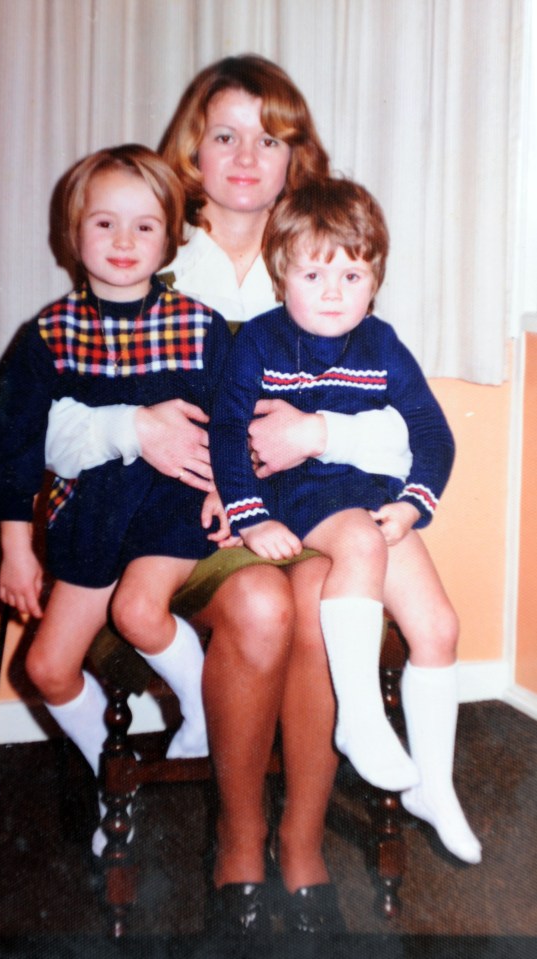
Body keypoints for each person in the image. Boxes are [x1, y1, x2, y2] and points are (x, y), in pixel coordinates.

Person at [44, 55, 413, 934]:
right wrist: (142, 430)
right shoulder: (152, 254)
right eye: (224, 135)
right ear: (192, 151)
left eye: (271, 138)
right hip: (192, 523)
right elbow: (68, 412)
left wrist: (317, 433)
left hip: (315, 510)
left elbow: (401, 423)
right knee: (256, 604)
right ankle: (240, 845)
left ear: (297, 158)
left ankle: (304, 841)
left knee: (321, 593)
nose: (247, 156)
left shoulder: (325, 254)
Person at [210, 177, 481, 864]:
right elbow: (226, 432)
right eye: (313, 272)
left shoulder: (380, 343)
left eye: (351, 273)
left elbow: (431, 430)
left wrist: (414, 500)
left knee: (439, 627)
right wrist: (246, 517)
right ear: (281, 276)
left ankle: (435, 786)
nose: (333, 291)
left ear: (374, 279)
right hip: (297, 493)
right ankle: (359, 717)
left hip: (369, 491)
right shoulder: (261, 344)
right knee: (358, 538)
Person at [0, 145, 235, 788]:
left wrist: (234, 495)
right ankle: (110, 774)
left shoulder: (200, 327)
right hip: (91, 518)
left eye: (145, 225)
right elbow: (12, 442)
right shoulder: (48, 334)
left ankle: (208, 713)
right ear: (74, 232)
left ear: (171, 238)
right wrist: (15, 547)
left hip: (172, 506)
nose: (124, 240)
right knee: (45, 666)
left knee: (139, 611)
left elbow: (235, 422)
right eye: (104, 223)